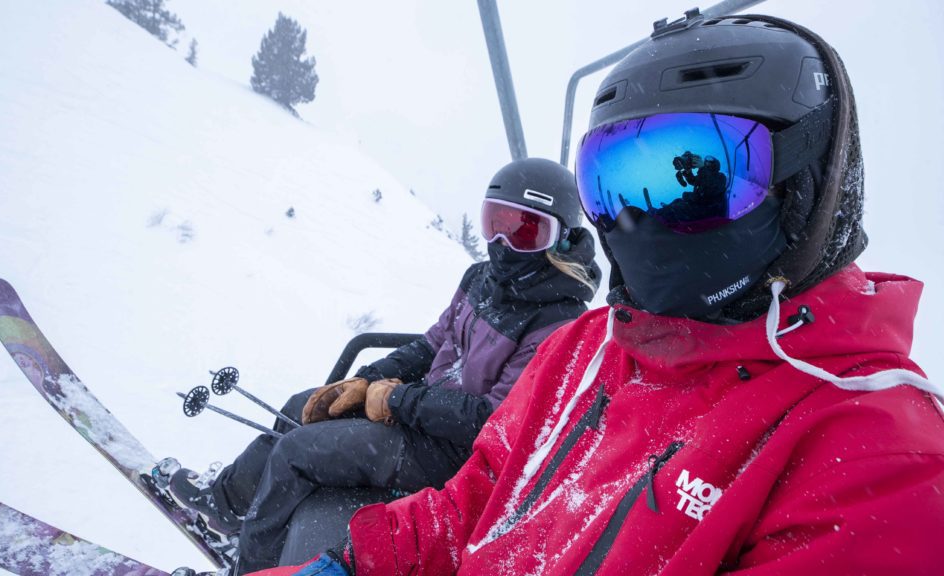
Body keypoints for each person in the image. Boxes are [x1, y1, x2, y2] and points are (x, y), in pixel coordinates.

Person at [250, 12, 944, 576]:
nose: (638, 219)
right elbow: (479, 502)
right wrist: (354, 562)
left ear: (805, 190)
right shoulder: (588, 349)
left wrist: (397, 400)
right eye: (611, 182)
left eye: (697, 179)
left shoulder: (882, 456)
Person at [168, 157, 602, 573]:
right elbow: (431, 346)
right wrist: (365, 381)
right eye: (496, 224)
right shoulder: (480, 279)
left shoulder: (556, 323)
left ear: (561, 238)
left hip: (453, 454)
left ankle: (253, 568)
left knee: (298, 454)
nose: (503, 244)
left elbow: (491, 420)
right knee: (298, 410)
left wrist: (395, 399)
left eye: (525, 232)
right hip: (418, 418)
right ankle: (224, 508)